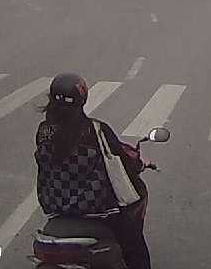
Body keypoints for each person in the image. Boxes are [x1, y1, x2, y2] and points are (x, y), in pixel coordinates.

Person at [35, 73, 150, 269]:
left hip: (55, 208)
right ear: (83, 98)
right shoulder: (96, 130)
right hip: (97, 211)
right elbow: (120, 158)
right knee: (134, 245)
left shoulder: (43, 131)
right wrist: (139, 163)